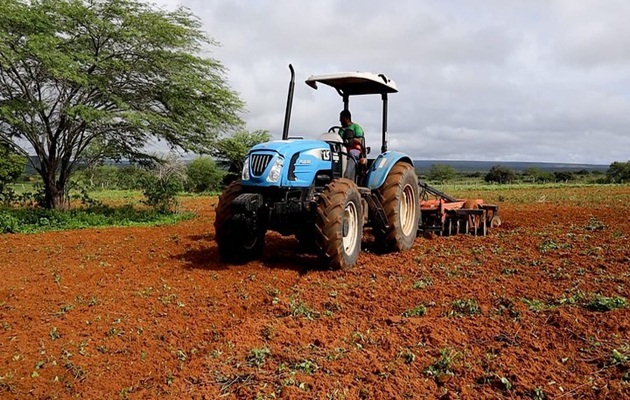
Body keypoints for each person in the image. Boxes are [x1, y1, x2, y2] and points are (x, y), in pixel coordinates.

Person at [338, 110, 365, 179]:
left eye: (341, 119)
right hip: (343, 150)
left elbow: (360, 140)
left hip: (354, 149)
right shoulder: (341, 130)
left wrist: (350, 139)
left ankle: (348, 177)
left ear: (347, 118)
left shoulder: (356, 127)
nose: (340, 120)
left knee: (351, 153)